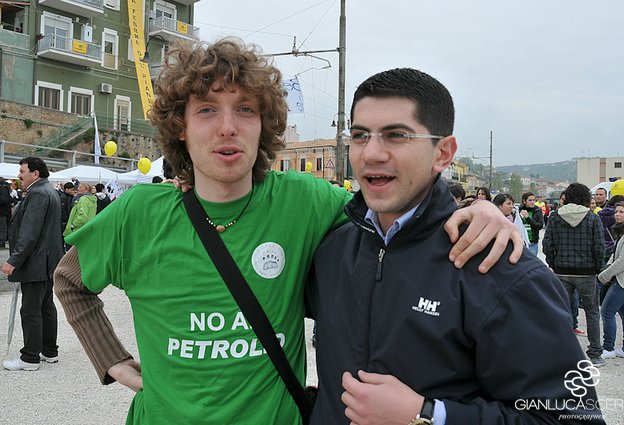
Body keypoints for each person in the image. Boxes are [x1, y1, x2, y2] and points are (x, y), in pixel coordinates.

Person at [53, 39, 521, 424]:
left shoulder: (306, 201)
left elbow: (397, 214)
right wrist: (109, 358)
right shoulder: (138, 213)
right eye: (206, 111)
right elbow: (69, 280)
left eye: (246, 110)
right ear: (179, 127)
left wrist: (476, 211)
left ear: (265, 124)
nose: (228, 128)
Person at [306, 68, 602, 424]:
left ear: (443, 153)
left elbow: (572, 416)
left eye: (396, 135)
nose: (371, 153)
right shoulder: (332, 251)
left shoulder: (501, 269)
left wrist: (428, 415)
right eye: (359, 135)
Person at [1, 157, 64, 371]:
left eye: (22, 171)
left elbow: (30, 232)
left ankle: (29, 358)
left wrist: (14, 259)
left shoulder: (38, 193)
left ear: (35, 174)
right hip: (47, 261)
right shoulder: (50, 191)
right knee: (46, 306)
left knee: (30, 309)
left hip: (36, 262)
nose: (19, 175)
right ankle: (49, 351)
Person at [543, 183, 606, 366]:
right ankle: (595, 354)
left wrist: (553, 263)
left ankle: (562, 352)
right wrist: (597, 268)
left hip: (562, 271)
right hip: (587, 273)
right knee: (592, 313)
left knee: (561, 312)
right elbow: (599, 247)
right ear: (586, 198)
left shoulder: (555, 217)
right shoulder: (593, 218)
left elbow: (548, 244)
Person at [597, 201, 624, 361]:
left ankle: (608, 348)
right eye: (616, 212)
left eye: (621, 212)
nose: (617, 214)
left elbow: (623, 262)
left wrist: (603, 276)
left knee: (607, 312)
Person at [519, 191, 544, 256]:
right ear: (524, 201)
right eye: (530, 200)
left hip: (533, 243)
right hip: (521, 242)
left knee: (532, 265)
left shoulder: (537, 211)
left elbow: (539, 226)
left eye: (533, 200)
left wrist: (528, 218)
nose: (532, 202)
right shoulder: (518, 210)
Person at [0, 177, 12, 248]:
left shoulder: (3, 190)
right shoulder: (5, 190)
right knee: (2, 228)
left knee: (2, 228)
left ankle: (2, 242)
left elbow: (3, 200)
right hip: (4, 212)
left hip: (2, 212)